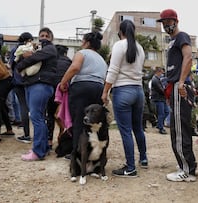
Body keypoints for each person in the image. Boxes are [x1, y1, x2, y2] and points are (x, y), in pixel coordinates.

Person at [101, 19, 147, 178]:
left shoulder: (119, 45)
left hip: (123, 91)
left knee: (126, 131)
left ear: (120, 32)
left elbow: (112, 71)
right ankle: (144, 158)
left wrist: (105, 92)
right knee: (138, 128)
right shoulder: (140, 48)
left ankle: (130, 167)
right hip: (138, 91)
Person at [157, 9, 197, 182]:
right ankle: (186, 165)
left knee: (180, 130)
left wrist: (181, 82)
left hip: (179, 86)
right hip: (174, 86)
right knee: (178, 128)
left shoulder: (182, 37)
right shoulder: (173, 41)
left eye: (168, 21)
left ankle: (187, 170)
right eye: (163, 23)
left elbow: (188, 58)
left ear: (175, 20)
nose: (165, 25)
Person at [59, 32, 108, 161]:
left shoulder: (82, 53)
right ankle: (93, 152)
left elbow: (75, 67)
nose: (81, 44)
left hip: (81, 87)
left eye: (82, 41)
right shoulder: (102, 60)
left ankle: (77, 153)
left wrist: (63, 82)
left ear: (86, 42)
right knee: (93, 122)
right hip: (98, 88)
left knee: (79, 121)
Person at [16, 27, 57, 161]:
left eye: (46, 35)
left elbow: (34, 58)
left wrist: (21, 64)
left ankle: (38, 152)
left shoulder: (50, 48)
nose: (43, 37)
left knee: (36, 118)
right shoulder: (38, 49)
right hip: (33, 84)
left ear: (51, 38)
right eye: (41, 35)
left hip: (41, 85)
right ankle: (43, 148)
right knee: (38, 117)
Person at [10, 32, 33, 144]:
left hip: (18, 81)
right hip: (29, 81)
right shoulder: (31, 50)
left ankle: (27, 134)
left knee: (23, 106)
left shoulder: (15, 50)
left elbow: (11, 65)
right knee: (31, 107)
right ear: (28, 40)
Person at [46, 45, 72, 149]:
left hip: (52, 89)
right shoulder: (69, 62)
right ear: (65, 53)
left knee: (50, 115)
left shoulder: (51, 61)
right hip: (65, 91)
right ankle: (63, 136)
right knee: (65, 116)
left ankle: (49, 140)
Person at [151, 67, 169, 134]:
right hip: (158, 99)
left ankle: (159, 123)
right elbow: (160, 90)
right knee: (161, 113)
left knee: (166, 112)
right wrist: (166, 91)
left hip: (162, 99)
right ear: (158, 72)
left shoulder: (158, 79)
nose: (162, 74)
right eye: (161, 72)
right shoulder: (155, 79)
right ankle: (161, 128)